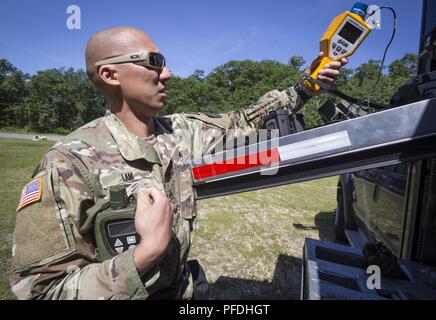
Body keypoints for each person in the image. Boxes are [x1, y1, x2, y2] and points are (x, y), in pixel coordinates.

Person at [10, 26, 346, 300]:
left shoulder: (180, 132)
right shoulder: (67, 163)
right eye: (154, 61)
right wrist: (145, 254)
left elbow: (244, 119)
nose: (167, 73)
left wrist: (305, 86)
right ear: (110, 74)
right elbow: (43, 292)